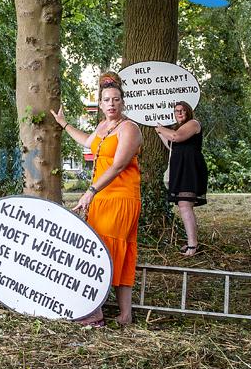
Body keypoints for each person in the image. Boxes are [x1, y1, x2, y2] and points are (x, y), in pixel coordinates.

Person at [51, 73, 142, 326]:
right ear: (100, 104)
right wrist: (64, 124)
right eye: (106, 100)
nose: (111, 104)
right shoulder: (103, 127)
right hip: (101, 196)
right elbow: (87, 142)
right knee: (104, 249)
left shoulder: (130, 129)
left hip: (121, 197)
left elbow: (118, 165)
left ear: (123, 102)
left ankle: (94, 312)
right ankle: (125, 315)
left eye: (116, 99)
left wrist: (90, 190)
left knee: (108, 251)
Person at [155, 101, 208, 256]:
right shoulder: (178, 128)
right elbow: (172, 144)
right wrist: (159, 133)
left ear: (189, 112)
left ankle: (193, 245)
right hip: (181, 169)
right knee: (184, 206)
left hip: (190, 169)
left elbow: (176, 137)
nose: (180, 113)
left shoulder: (193, 123)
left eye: (183, 110)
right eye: (177, 111)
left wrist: (160, 128)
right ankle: (192, 242)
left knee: (185, 205)